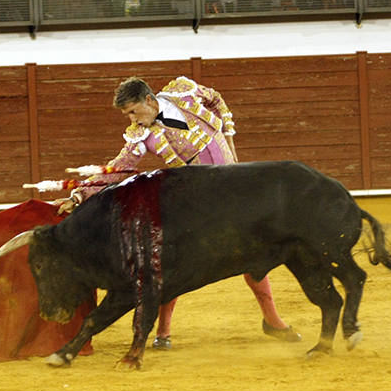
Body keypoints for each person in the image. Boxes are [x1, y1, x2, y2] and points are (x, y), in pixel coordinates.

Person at [58, 76, 300, 349]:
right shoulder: (142, 135)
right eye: (127, 114)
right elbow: (119, 169)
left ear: (149, 100)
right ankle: (163, 332)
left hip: (234, 190)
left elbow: (216, 98)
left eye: (133, 111)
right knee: (176, 261)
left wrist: (230, 139)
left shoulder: (183, 92)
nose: (131, 119)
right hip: (198, 200)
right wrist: (79, 193)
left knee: (255, 253)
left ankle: (272, 320)